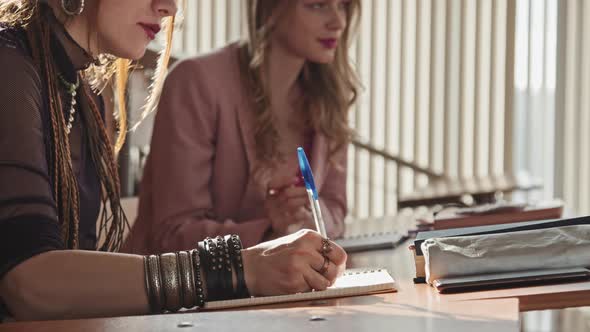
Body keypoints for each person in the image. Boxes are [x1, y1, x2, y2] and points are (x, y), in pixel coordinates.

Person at [0, 0, 346, 321]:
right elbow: (28, 282)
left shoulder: (84, 94)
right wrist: (239, 269)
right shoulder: (10, 66)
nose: (169, 7)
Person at [123, 0, 361, 255]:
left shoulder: (328, 98)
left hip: (285, 288)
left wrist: (308, 216)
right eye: (318, 5)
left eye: (344, 5)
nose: (339, 22)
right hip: (174, 291)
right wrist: (270, 232)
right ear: (271, 9)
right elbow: (174, 236)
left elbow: (335, 208)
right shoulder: (196, 83)